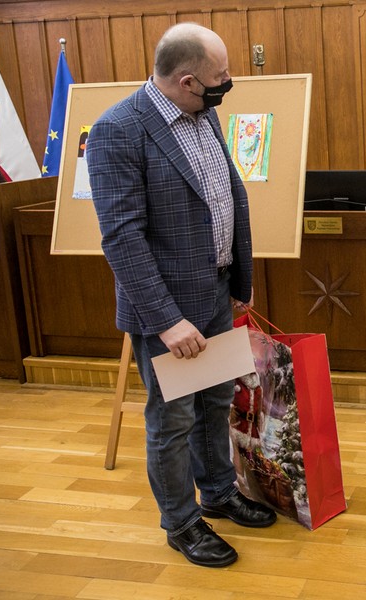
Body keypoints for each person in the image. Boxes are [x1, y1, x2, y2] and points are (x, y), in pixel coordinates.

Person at [86, 23, 276, 569]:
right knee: (172, 421)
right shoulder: (118, 131)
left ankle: (217, 492)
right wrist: (167, 320)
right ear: (187, 80)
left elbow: (222, 196)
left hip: (216, 291)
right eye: (221, 79)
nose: (228, 85)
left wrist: (238, 280)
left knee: (216, 401)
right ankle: (181, 522)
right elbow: (121, 236)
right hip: (167, 310)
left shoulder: (203, 112)